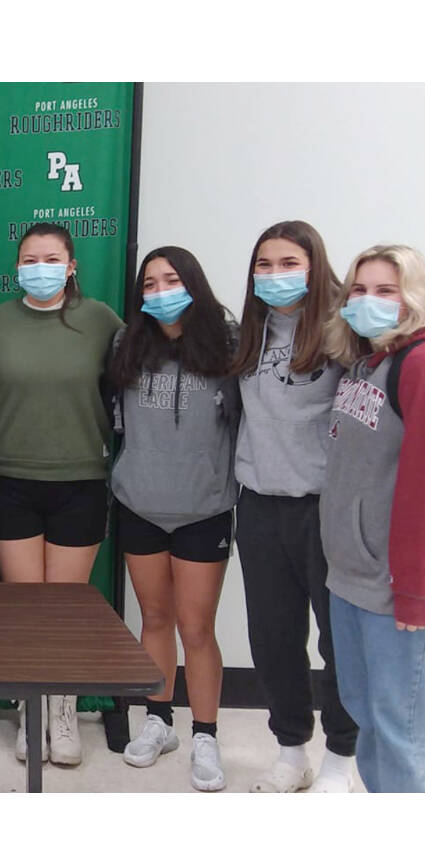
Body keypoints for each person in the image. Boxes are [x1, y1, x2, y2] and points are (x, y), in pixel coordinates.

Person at [0, 223, 123, 766]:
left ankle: (63, 710)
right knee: (26, 605)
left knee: (63, 608)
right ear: (16, 266)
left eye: (52, 257)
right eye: (29, 258)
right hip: (10, 479)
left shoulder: (102, 320)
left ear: (71, 265)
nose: (40, 266)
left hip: (80, 480)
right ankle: (30, 712)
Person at [231, 220, 357, 792]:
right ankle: (290, 751)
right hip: (259, 505)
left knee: (337, 641)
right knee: (274, 636)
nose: (275, 275)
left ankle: (341, 757)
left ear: (314, 268)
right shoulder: (248, 336)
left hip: (323, 509)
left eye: (289, 264)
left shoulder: (341, 335)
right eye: (265, 265)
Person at [107, 246, 239, 791]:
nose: (161, 291)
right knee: (154, 619)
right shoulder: (126, 343)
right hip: (141, 502)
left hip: (204, 507)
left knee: (197, 627)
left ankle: (204, 733)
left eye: (172, 280)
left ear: (194, 284)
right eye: (150, 283)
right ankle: (157, 721)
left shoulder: (229, 343)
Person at [319, 244, 425, 792]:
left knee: (399, 730)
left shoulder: (418, 363)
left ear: (412, 297)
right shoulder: (365, 364)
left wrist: (412, 591)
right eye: (359, 290)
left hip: (393, 591)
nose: (369, 301)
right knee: (365, 716)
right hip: (349, 577)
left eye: (386, 290)